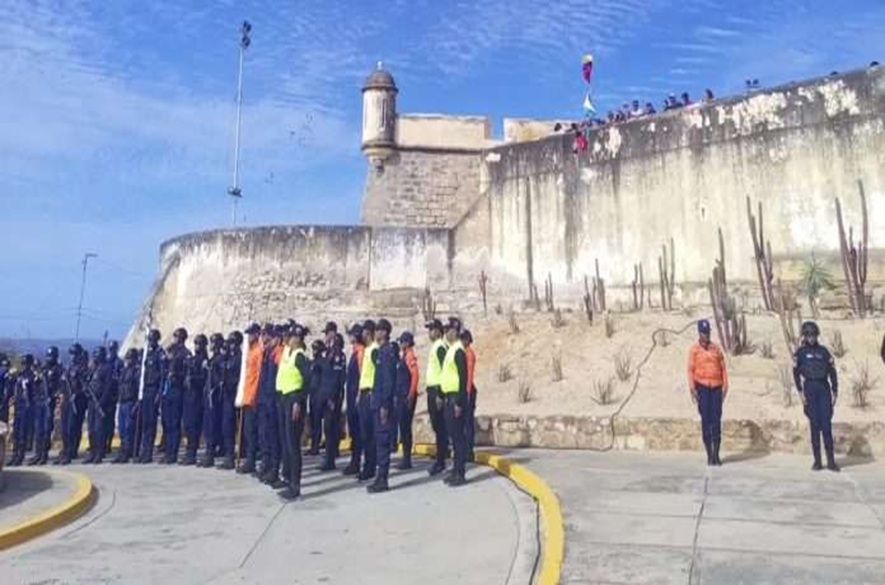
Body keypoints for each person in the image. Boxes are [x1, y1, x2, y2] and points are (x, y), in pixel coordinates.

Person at [793, 321, 840, 472]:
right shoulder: (800, 353)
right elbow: (795, 374)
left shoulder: (824, 351)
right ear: (804, 336)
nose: (811, 338)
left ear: (817, 335)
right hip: (810, 389)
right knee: (815, 426)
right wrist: (800, 394)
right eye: (808, 335)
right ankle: (817, 461)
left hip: (823, 389)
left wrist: (835, 391)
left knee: (826, 426)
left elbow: (832, 372)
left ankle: (831, 461)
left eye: (813, 335)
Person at [276, 323, 311, 500]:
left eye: (292, 336)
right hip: (284, 398)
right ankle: (288, 478)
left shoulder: (299, 356)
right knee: (286, 441)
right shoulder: (287, 353)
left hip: (294, 400)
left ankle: (295, 485)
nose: (289, 339)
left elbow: (308, 380)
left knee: (293, 444)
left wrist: (298, 400)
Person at [687, 319, 728, 466]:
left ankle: (716, 455)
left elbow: (723, 367)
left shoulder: (716, 349)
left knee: (716, 419)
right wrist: (692, 388)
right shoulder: (694, 350)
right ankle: (709, 456)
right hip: (702, 387)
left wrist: (725, 385)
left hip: (716, 387)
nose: (706, 336)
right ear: (699, 333)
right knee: (706, 419)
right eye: (704, 333)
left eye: (708, 333)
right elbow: (690, 370)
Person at [366, 319, 397, 493]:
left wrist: (384, 405)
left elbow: (388, 381)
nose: (376, 333)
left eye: (378, 330)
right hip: (377, 403)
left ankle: (383, 478)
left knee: (383, 441)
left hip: (382, 405)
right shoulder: (380, 352)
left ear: (385, 332)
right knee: (379, 441)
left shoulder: (387, 352)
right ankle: (379, 476)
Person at [440, 318, 469, 487]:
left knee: (458, 438)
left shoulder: (458, 351)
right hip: (448, 398)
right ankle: (455, 470)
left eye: (448, 330)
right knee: (453, 435)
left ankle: (460, 472)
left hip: (455, 399)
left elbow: (462, 378)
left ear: (454, 331)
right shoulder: (451, 350)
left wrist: (458, 402)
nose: (446, 333)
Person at [258, 324, 284, 487]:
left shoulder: (279, 353)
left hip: (275, 399)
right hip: (266, 398)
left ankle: (275, 469)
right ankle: (268, 466)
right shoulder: (269, 352)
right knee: (267, 435)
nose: (265, 338)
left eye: (268, 336)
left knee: (275, 437)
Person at [316, 333, 346, 471]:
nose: (327, 340)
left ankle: (330, 459)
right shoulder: (327, 355)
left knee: (330, 427)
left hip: (332, 398)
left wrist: (332, 399)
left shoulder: (338, 357)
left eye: (331, 340)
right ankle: (328, 456)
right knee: (327, 429)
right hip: (324, 396)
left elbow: (337, 380)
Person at [162, 328, 191, 464]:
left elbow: (186, 375)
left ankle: (172, 453)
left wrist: (176, 376)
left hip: (177, 390)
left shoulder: (185, 354)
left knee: (174, 423)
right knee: (167, 423)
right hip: (168, 390)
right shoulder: (171, 352)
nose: (174, 339)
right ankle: (167, 451)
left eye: (176, 337)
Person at [238, 323, 263, 474]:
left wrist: (254, 395)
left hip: (253, 396)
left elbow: (259, 375)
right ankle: (249, 458)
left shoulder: (258, 352)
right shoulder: (249, 351)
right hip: (246, 395)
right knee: (247, 431)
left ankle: (251, 460)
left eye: (251, 334)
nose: (248, 337)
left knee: (252, 431)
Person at [137, 330, 165, 464]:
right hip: (145, 390)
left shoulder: (160, 354)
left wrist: (159, 394)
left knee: (150, 423)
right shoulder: (146, 355)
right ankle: (142, 451)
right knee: (144, 422)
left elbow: (162, 376)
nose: (151, 342)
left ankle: (148, 453)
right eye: (149, 340)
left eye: (153, 339)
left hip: (153, 390)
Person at [425, 318, 449, 476]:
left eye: (432, 329)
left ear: (439, 331)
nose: (429, 332)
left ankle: (441, 461)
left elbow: (444, 371)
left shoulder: (440, 347)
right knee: (436, 426)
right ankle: (441, 456)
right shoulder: (434, 347)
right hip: (431, 390)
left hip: (437, 391)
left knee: (440, 427)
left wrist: (440, 394)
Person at [200, 333, 227, 468]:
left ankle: (210, 454)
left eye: (213, 342)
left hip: (214, 398)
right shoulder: (213, 359)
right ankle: (211, 451)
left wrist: (210, 368)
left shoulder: (220, 360)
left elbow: (219, 380)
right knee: (208, 426)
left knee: (212, 426)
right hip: (209, 396)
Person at [357, 320, 379, 481]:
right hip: (364, 393)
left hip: (370, 393)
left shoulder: (374, 350)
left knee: (370, 433)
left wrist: (373, 391)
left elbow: (378, 373)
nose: (362, 335)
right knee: (365, 433)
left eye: (364, 332)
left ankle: (370, 467)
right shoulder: (367, 350)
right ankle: (368, 465)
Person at [342, 323, 365, 476]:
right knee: (353, 431)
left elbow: (363, 374)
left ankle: (356, 462)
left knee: (358, 431)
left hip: (356, 396)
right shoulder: (354, 351)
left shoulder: (361, 352)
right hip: (350, 395)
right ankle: (354, 461)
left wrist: (358, 395)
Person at [33, 347, 63, 465]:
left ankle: (44, 455)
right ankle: (38, 453)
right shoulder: (43, 369)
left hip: (48, 402)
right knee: (38, 429)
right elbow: (37, 384)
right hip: (40, 401)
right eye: (48, 356)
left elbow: (61, 386)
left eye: (51, 356)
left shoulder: (58, 369)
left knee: (46, 429)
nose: (49, 359)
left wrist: (54, 396)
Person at [60, 343, 89, 464]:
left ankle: (72, 451)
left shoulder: (83, 369)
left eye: (74, 354)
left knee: (73, 427)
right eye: (71, 354)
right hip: (67, 400)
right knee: (65, 428)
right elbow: (63, 384)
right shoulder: (68, 368)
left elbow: (86, 387)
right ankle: (66, 449)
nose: (72, 357)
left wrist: (76, 394)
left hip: (77, 402)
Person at [182, 334, 208, 465]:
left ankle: (191, 453)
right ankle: (188, 451)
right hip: (188, 395)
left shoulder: (204, 360)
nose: (197, 346)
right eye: (196, 343)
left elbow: (204, 379)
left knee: (193, 426)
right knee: (187, 425)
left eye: (199, 344)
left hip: (197, 396)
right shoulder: (191, 359)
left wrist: (193, 379)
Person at [394, 331, 419, 470]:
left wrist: (410, 394)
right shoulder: (403, 356)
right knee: (403, 428)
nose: (400, 344)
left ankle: (407, 459)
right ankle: (405, 457)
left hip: (406, 396)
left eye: (402, 341)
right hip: (402, 395)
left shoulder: (409, 356)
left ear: (407, 343)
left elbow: (415, 376)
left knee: (405, 427)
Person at [84, 346, 112, 464]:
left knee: (98, 429)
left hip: (100, 402)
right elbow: (88, 381)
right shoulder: (93, 368)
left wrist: (102, 401)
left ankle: (99, 453)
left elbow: (107, 387)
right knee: (90, 428)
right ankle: (92, 452)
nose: (95, 357)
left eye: (97, 354)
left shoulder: (107, 368)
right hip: (91, 401)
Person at [113, 348, 140, 464]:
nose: (128, 360)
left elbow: (139, 389)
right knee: (122, 429)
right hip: (122, 402)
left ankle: (128, 452)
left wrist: (137, 404)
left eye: (130, 358)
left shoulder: (137, 372)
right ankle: (122, 450)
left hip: (130, 402)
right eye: (127, 358)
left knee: (129, 429)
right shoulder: (123, 371)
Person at [9, 354, 36, 467]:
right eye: (23, 364)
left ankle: (20, 455)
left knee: (22, 433)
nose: (24, 366)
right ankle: (15, 455)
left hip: (26, 407)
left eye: (26, 364)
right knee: (16, 432)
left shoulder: (32, 376)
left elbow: (33, 392)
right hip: (18, 406)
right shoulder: (20, 375)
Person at [221, 331, 242, 470]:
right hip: (227, 395)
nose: (231, 346)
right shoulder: (228, 357)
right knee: (226, 425)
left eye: (233, 343)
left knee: (234, 425)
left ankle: (235, 454)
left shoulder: (239, 358)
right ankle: (228, 454)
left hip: (235, 394)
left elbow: (239, 377)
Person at [461, 329, 478, 462]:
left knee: (468, 422)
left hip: (468, 390)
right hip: (464, 390)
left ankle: (469, 451)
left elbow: (469, 375)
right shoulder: (463, 353)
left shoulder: (469, 354)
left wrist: (466, 392)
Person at [307, 339, 326, 456]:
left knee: (317, 421)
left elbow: (323, 380)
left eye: (316, 349)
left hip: (319, 395)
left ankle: (316, 445)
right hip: (312, 394)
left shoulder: (322, 363)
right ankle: (313, 444)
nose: (314, 351)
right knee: (313, 421)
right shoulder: (312, 362)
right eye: (313, 348)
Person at [104, 340, 123, 455]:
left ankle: (108, 444)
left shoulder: (118, 363)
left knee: (110, 422)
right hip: (104, 395)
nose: (111, 351)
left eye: (113, 349)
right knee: (103, 422)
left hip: (112, 396)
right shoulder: (106, 362)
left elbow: (119, 378)